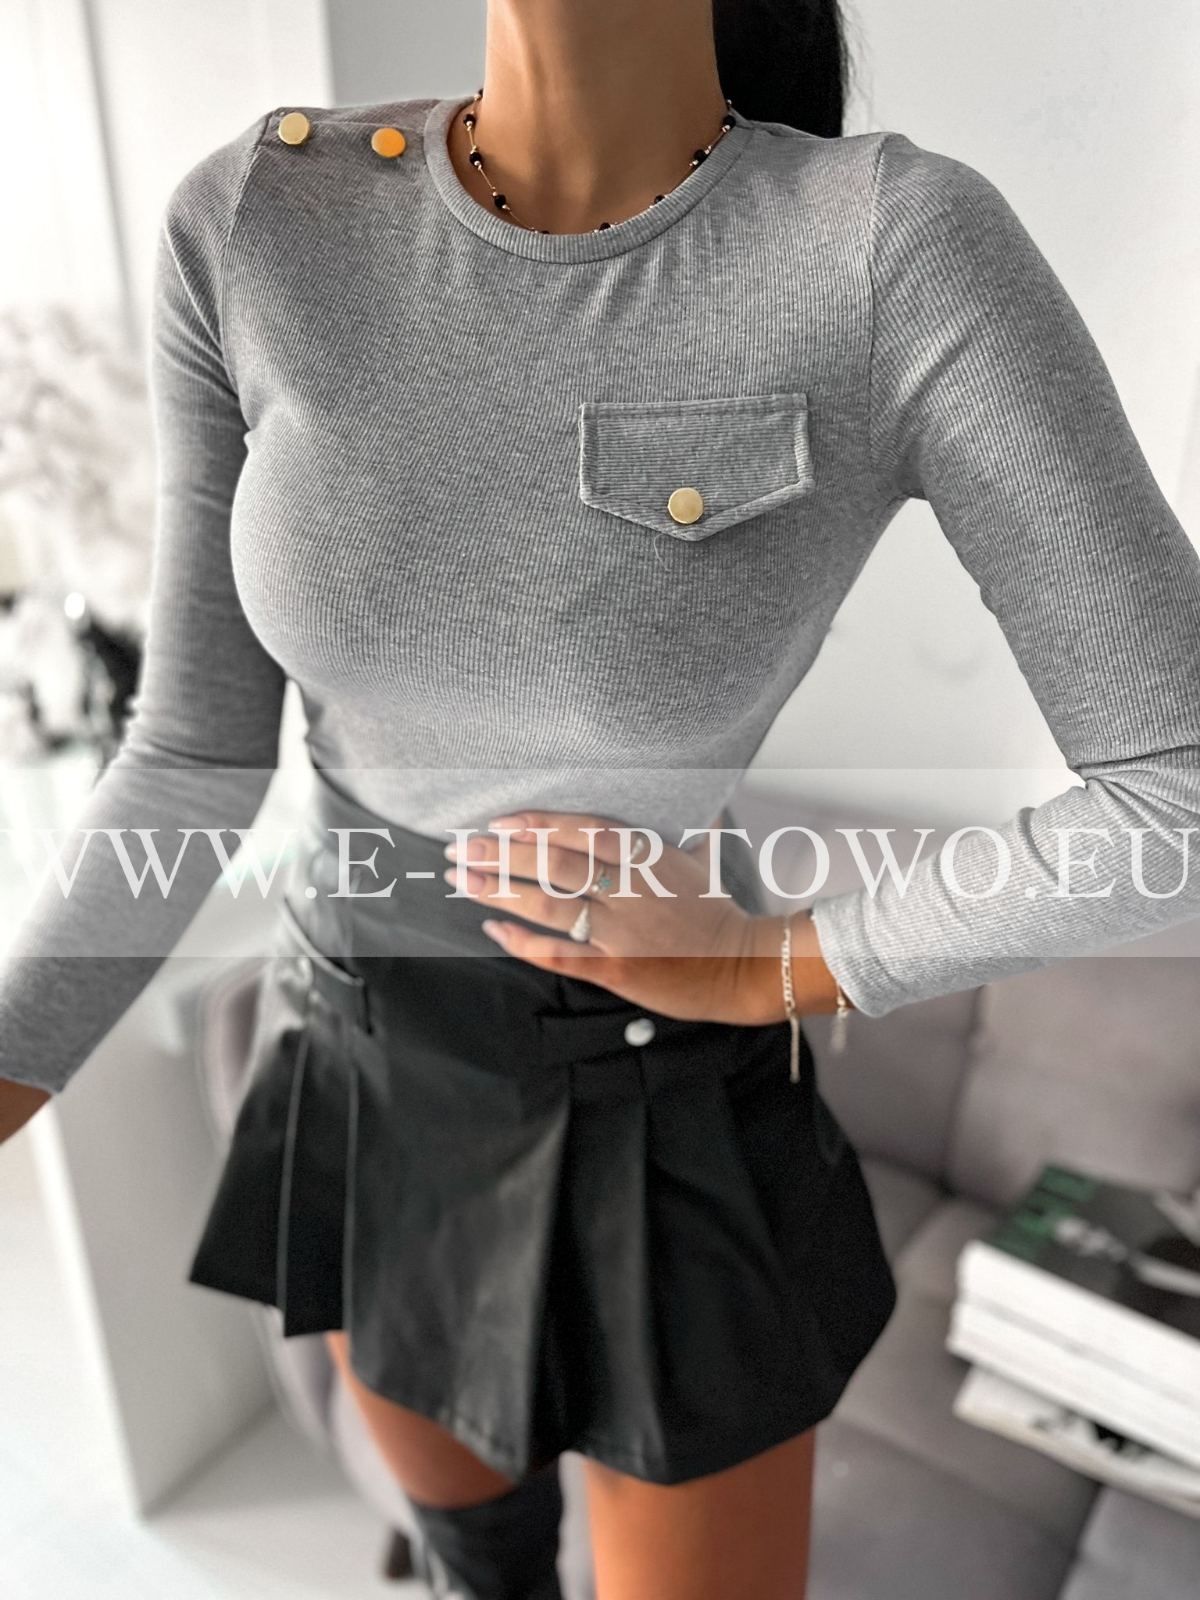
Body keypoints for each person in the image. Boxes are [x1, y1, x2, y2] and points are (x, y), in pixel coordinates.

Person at [3, 1, 1199, 1596]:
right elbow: (192, 759)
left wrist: (780, 960)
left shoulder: (888, 248)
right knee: (469, 1567)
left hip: (661, 1120)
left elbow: (1177, 797)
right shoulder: (257, 218)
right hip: (364, 1070)